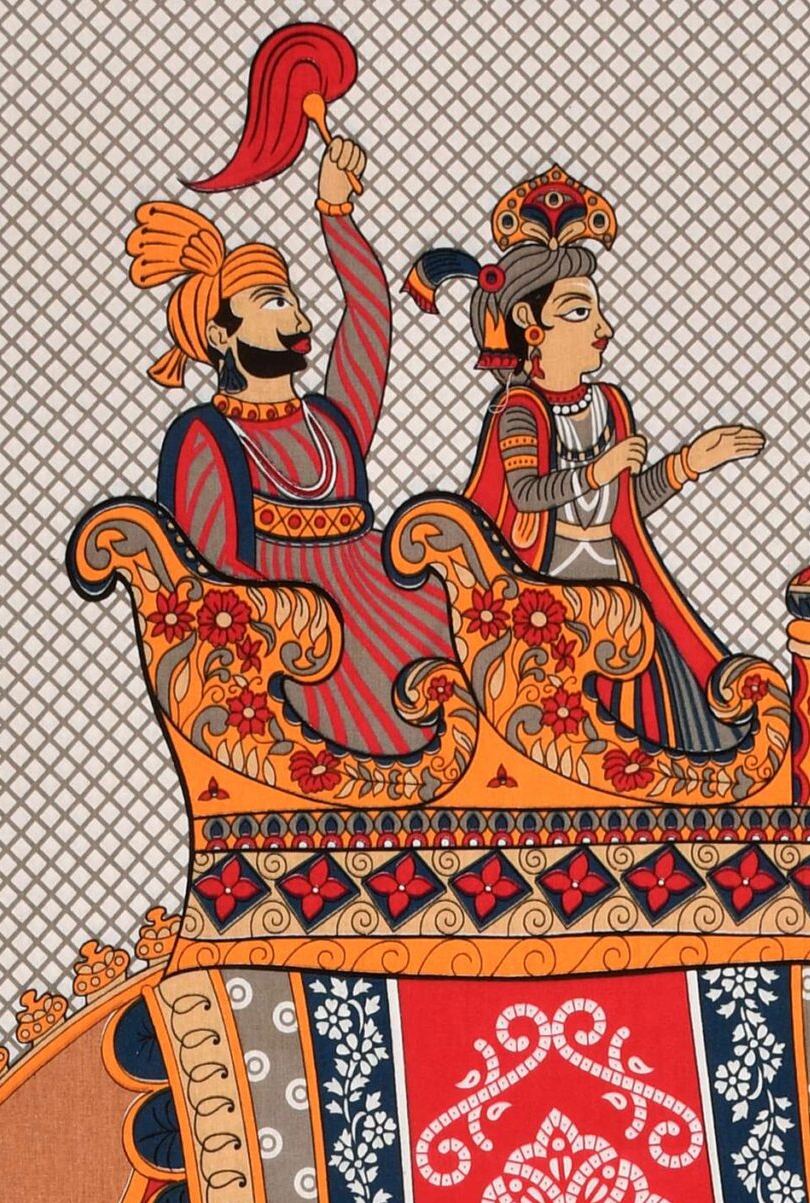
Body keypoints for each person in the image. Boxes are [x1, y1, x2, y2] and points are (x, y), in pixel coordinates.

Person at [407, 169, 765, 753]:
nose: (604, 328)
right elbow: (525, 494)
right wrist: (599, 469)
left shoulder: (610, 405)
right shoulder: (519, 410)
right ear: (530, 326)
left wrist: (690, 462)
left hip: (619, 582)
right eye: (579, 312)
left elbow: (624, 507)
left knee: (672, 727)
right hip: (546, 593)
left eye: (596, 312)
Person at [126, 132, 451, 758]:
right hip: (296, 630)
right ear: (221, 334)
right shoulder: (205, 438)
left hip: (387, 593)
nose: (300, 318)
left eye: (294, 301)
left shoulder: (332, 421)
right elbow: (212, 575)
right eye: (273, 302)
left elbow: (369, 312)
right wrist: (296, 618)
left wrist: (335, 213)